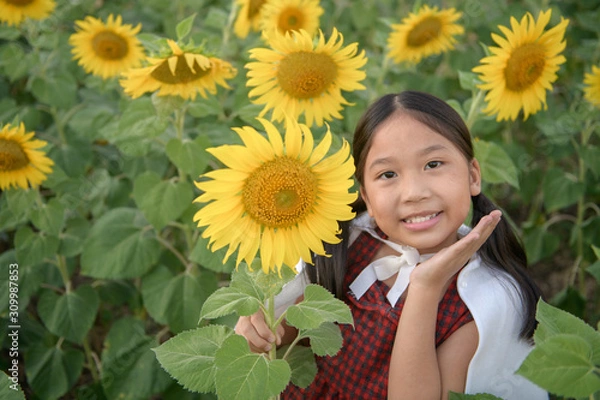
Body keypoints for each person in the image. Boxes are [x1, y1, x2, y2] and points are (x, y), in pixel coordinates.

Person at [235, 91, 547, 400]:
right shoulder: (348, 243)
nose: (414, 192)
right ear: (366, 196)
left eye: (433, 164)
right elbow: (293, 330)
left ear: (473, 175)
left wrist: (426, 288)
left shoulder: (481, 301)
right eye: (388, 174)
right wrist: (264, 331)